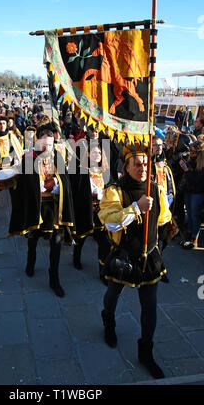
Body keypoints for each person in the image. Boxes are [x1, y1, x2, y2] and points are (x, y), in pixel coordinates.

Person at [98, 143, 171, 379]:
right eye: (137, 164)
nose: (142, 168)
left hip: (149, 258)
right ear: (126, 166)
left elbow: (162, 219)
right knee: (112, 295)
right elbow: (109, 222)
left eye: (145, 163)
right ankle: (108, 321)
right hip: (123, 257)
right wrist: (136, 208)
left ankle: (146, 353)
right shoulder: (114, 191)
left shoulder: (156, 188)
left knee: (150, 307)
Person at [8, 128, 75, 297]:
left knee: (56, 244)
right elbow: (22, 185)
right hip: (35, 207)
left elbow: (66, 181)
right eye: (44, 144)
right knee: (33, 240)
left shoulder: (57, 157)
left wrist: (57, 183)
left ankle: (54, 279)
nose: (47, 148)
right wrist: (38, 186)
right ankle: (30, 263)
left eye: (50, 145)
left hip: (54, 209)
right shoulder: (28, 159)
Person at [69, 140, 111, 281]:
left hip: (102, 212)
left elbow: (110, 189)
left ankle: (102, 272)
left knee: (103, 243)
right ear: (88, 154)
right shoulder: (82, 170)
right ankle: (76, 258)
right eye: (94, 152)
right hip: (86, 210)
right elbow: (78, 191)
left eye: (99, 152)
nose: (97, 155)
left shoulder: (105, 171)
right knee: (81, 238)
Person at [179, 140, 204, 249]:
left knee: (195, 215)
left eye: (193, 152)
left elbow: (197, 180)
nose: (191, 154)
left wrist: (187, 170)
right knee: (189, 214)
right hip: (188, 191)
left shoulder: (202, 164)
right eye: (190, 151)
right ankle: (188, 236)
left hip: (198, 192)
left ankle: (195, 238)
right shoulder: (190, 160)